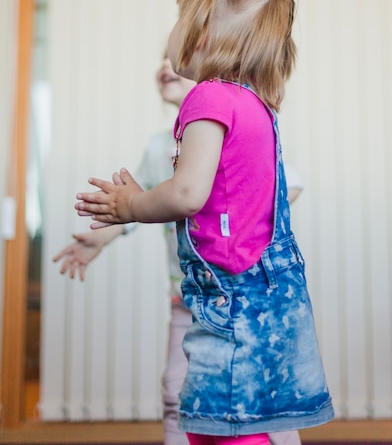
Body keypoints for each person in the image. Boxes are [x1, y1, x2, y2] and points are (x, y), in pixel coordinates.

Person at [71, 0, 334, 445]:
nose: (170, 39)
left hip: (229, 295)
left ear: (203, 34)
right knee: (255, 412)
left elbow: (188, 193)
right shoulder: (255, 104)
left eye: (176, 20)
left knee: (224, 420)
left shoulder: (207, 99)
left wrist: (132, 204)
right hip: (266, 290)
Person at [54, 55, 304, 445]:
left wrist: (224, 205)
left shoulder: (236, 124)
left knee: (258, 393)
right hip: (187, 294)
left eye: (174, 58)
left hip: (236, 295)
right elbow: (142, 203)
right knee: (176, 388)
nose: (165, 65)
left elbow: (290, 186)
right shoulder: (159, 146)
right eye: (161, 60)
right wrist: (102, 237)